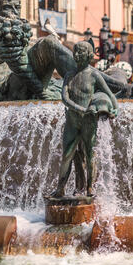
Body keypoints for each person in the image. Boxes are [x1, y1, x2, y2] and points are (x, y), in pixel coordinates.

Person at [49, 41, 118, 198]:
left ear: (88, 55)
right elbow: (65, 98)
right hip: (72, 122)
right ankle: (60, 188)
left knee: (90, 154)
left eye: (81, 52)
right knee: (66, 155)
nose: (77, 54)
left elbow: (110, 94)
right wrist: (80, 109)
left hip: (89, 122)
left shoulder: (94, 75)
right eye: (76, 51)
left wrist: (115, 109)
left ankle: (89, 188)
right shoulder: (69, 75)